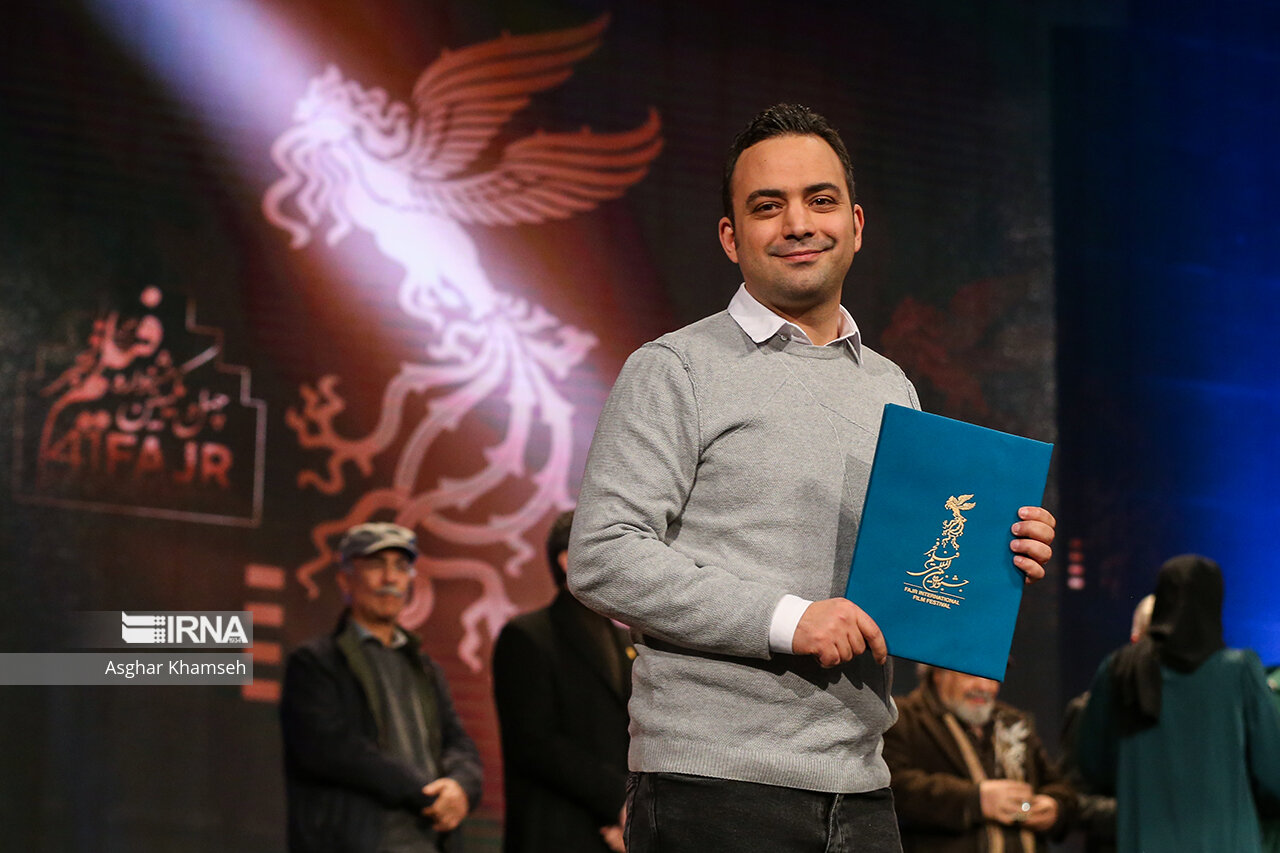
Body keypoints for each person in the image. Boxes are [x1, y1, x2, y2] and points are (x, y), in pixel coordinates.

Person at [567, 103, 1057, 853]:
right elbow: (603, 554)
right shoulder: (676, 368)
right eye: (768, 206)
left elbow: (907, 582)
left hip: (863, 785)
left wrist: (996, 550)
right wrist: (786, 618)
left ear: (855, 224)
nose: (798, 223)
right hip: (714, 786)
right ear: (731, 237)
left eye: (820, 200)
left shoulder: (892, 387)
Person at [280, 522, 484, 853]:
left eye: (401, 567)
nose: (390, 578)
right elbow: (333, 750)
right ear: (345, 579)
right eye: (376, 565)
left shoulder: (427, 669)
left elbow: (459, 744)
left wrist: (461, 787)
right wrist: (425, 794)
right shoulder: (315, 664)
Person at [1075, 554, 1280, 853]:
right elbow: (1273, 775)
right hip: (1227, 840)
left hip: (1144, 839)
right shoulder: (1239, 671)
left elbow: (1093, 766)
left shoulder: (1120, 668)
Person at [492, 510, 633, 853]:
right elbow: (535, 743)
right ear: (568, 560)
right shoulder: (526, 636)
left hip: (617, 833)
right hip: (555, 833)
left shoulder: (627, 641)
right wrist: (617, 799)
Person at [883, 665, 1075, 852]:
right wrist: (975, 800)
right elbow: (892, 788)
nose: (984, 686)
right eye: (971, 674)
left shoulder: (1013, 720)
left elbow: (1060, 787)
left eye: (992, 675)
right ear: (938, 673)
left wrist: (1053, 808)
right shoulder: (902, 718)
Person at [1057, 594, 1153, 853]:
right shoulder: (1088, 711)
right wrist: (1144, 814)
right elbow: (1070, 801)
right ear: (1136, 642)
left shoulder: (1200, 717)